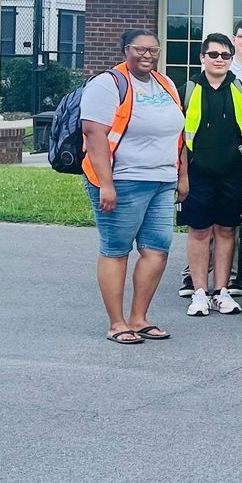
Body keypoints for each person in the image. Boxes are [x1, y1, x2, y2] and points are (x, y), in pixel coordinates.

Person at [80, 28, 185, 344]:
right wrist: (106, 185)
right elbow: (94, 135)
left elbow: (179, 134)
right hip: (123, 180)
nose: (147, 55)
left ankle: (139, 319)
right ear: (126, 50)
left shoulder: (165, 83)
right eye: (140, 49)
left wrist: (182, 176)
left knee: (157, 250)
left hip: (162, 180)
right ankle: (117, 323)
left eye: (153, 50)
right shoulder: (107, 84)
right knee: (117, 250)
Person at [179, 16, 242, 299]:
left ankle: (223, 289)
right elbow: (178, 139)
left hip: (233, 175)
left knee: (227, 231)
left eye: (224, 55)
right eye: (213, 54)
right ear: (202, 57)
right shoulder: (187, 90)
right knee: (199, 231)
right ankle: (199, 289)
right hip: (197, 175)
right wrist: (181, 176)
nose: (219, 59)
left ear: (231, 58)